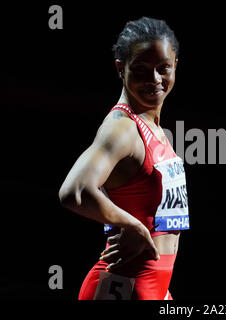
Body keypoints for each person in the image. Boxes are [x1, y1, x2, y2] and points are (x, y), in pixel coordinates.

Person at [58, 17, 189, 300]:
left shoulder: (152, 127)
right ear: (121, 69)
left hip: (151, 287)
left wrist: (162, 291)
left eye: (163, 68)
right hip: (122, 286)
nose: (155, 79)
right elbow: (75, 191)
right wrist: (131, 224)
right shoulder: (122, 128)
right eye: (141, 70)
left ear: (176, 64)